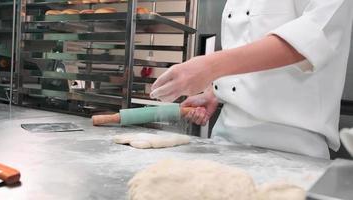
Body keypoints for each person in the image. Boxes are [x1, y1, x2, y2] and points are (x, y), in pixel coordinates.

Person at [150, 0, 353, 159]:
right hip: (225, 138)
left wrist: (209, 66)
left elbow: (314, 36)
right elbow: (246, 44)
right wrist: (215, 92)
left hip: (291, 147)